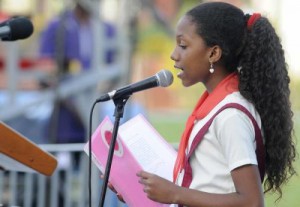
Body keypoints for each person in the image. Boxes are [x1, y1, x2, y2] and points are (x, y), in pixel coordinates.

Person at [133, 2, 296, 207]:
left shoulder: (231, 116)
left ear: (213, 54)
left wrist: (175, 194)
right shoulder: (215, 106)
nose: (174, 54)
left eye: (183, 45)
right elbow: (205, 181)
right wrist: (145, 187)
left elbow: (252, 201)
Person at [38, 0, 117, 144]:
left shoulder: (106, 28)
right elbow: (46, 62)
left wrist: (104, 88)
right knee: (63, 141)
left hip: (94, 96)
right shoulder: (59, 25)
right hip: (65, 102)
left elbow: (112, 64)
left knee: (94, 140)